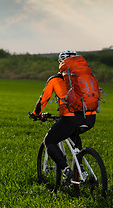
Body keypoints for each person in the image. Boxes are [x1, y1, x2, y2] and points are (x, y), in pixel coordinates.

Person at [29, 50, 97, 183]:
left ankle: (66, 170)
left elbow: (44, 99)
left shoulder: (55, 80)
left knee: (49, 141)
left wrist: (36, 114)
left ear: (61, 63)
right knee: (74, 137)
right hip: (90, 117)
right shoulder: (85, 76)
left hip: (71, 118)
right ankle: (81, 170)